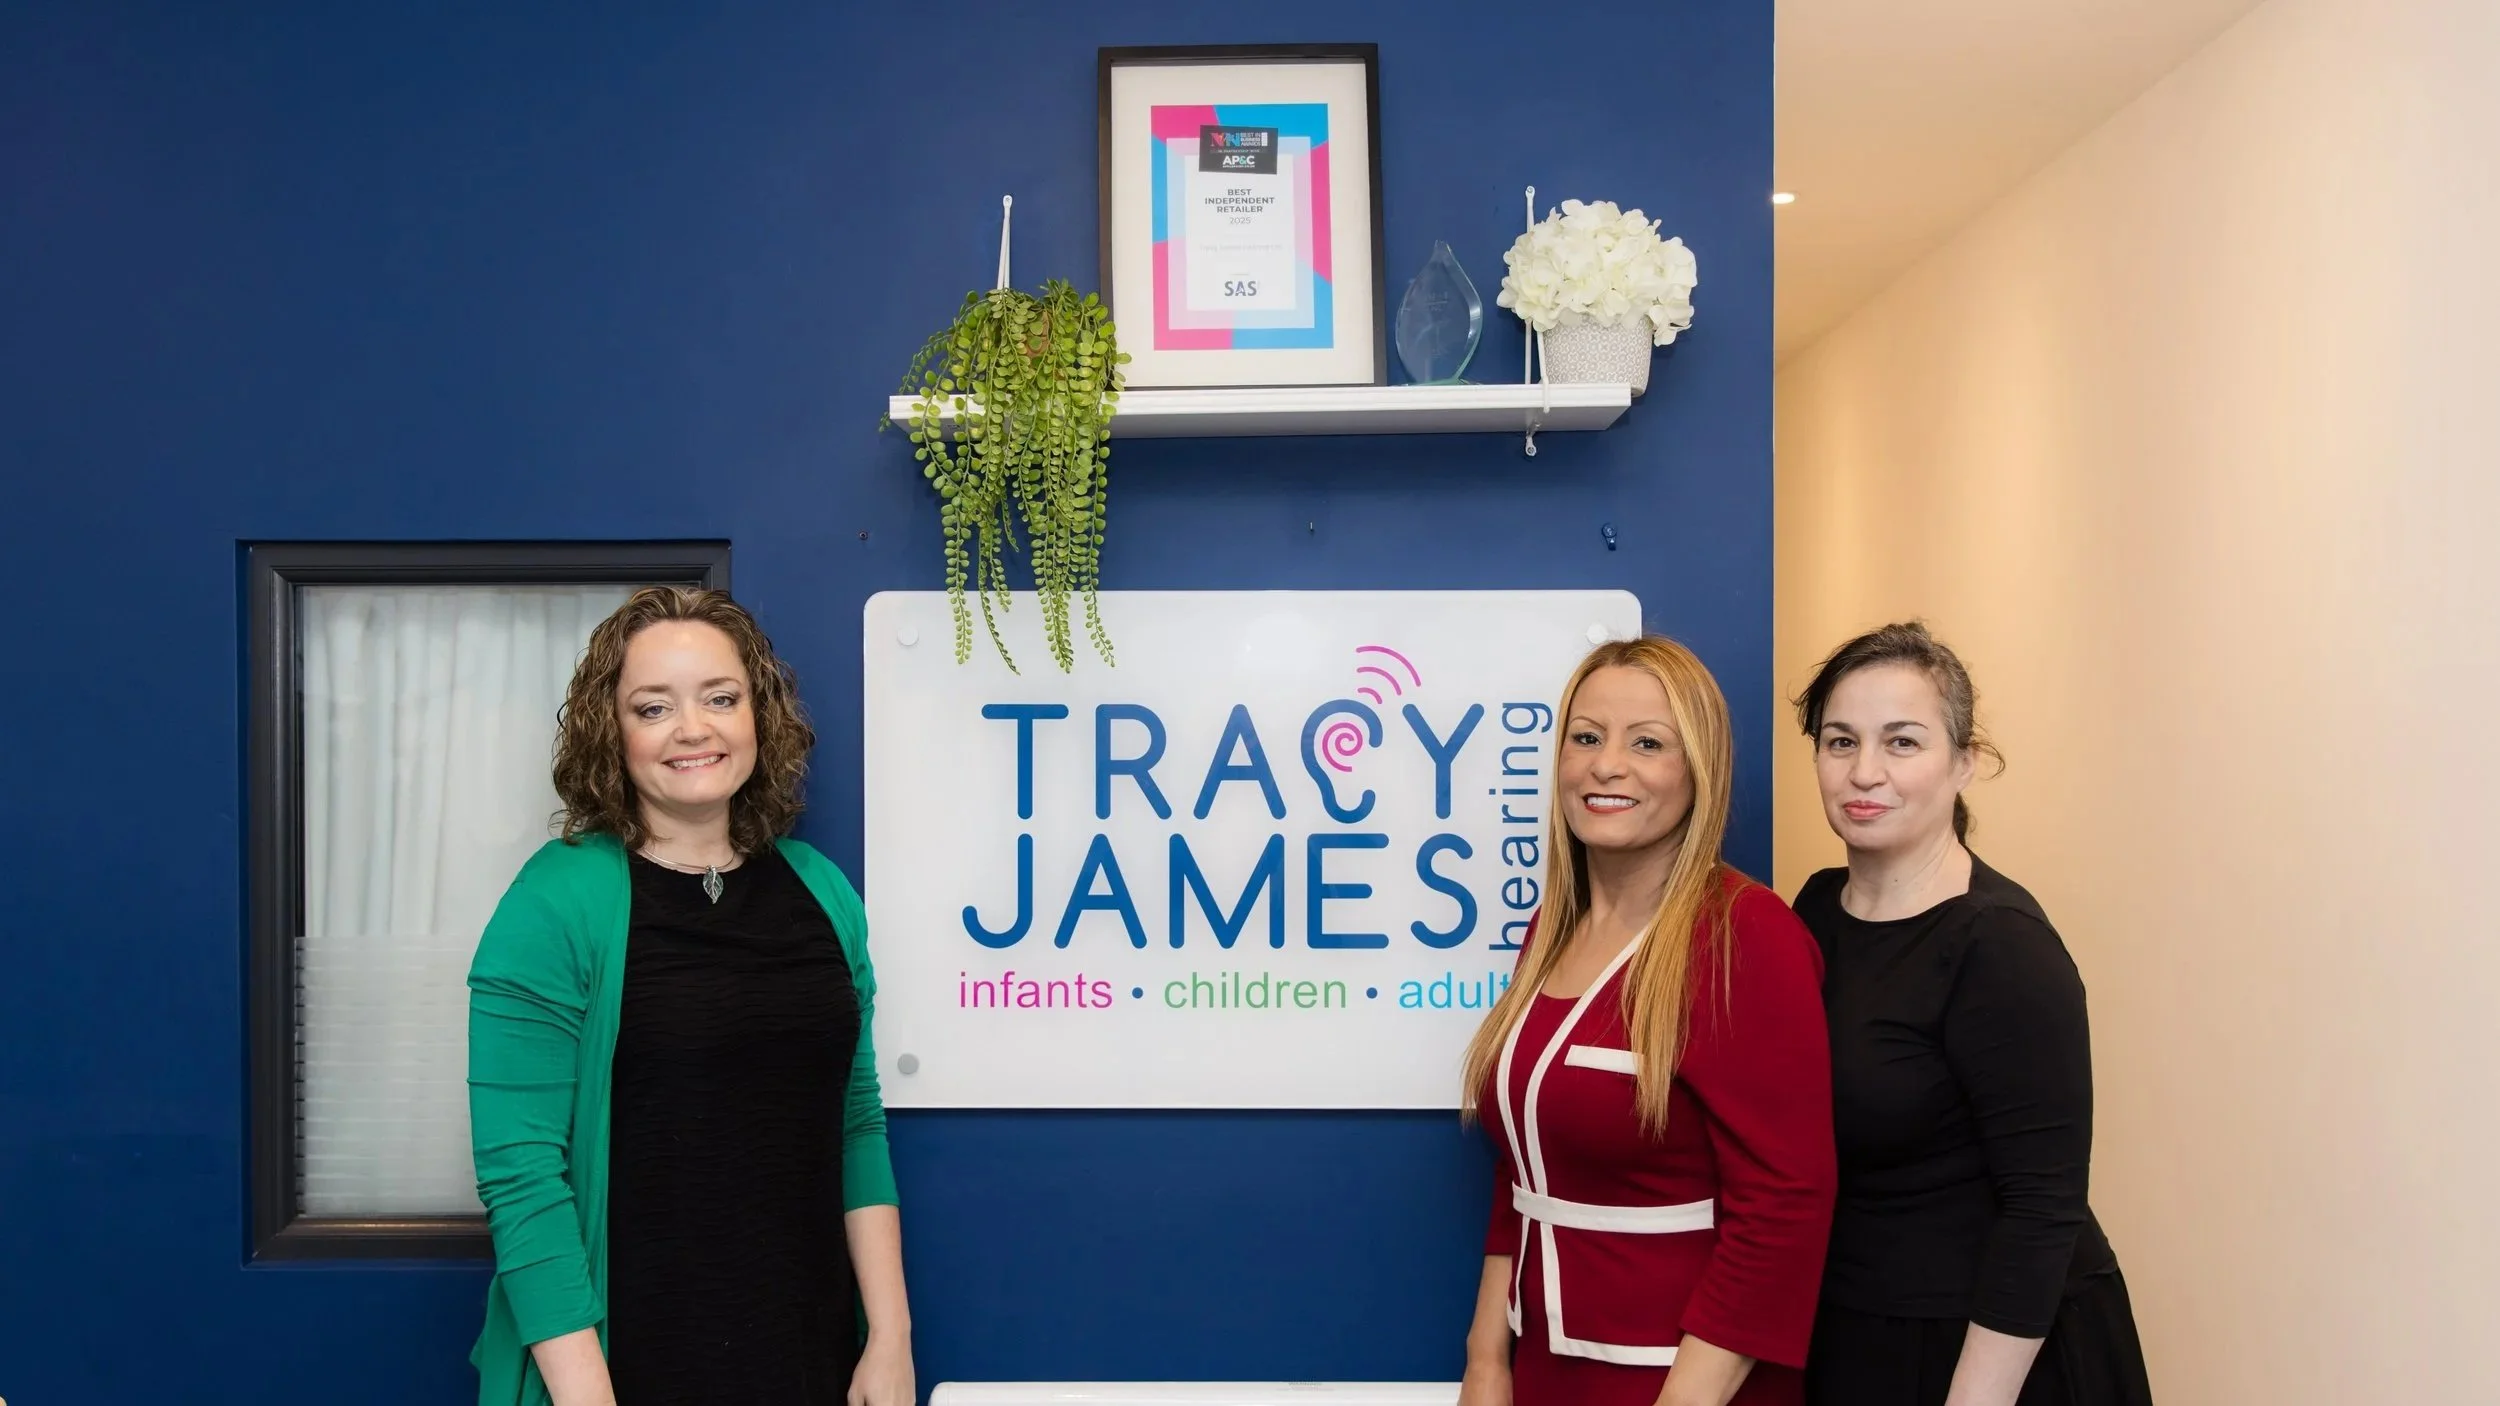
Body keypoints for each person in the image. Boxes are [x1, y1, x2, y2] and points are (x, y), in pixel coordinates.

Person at [465, 586, 914, 1406]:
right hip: (626, 1369)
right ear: (614, 731)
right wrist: (585, 1396)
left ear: (759, 715)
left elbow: (856, 1121)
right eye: (653, 707)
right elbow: (521, 1173)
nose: (694, 729)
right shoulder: (552, 906)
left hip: (812, 1358)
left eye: (720, 698)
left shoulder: (824, 895)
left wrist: (889, 1337)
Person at [1458, 635, 1838, 1406]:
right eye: (1587, 737)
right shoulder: (1551, 931)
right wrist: (1486, 1362)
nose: (1607, 766)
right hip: (1546, 1374)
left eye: (1648, 744)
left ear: (1698, 771)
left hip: (1685, 1383)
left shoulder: (1745, 937)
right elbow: (1524, 1171)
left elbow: (1784, 1209)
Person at [1791, 622, 2152, 1406]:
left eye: (1903, 742)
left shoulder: (2000, 947)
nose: (1866, 771)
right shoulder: (1816, 910)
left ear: (1965, 761)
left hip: (1989, 1358)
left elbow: (2042, 1212)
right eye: (1840, 741)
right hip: (1859, 1331)